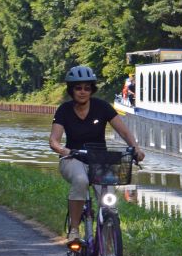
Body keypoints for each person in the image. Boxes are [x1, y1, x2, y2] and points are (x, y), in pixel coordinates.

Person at [49, 66, 145, 244]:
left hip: (99, 160)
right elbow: (54, 140)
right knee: (81, 180)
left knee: (108, 201)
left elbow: (124, 132)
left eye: (87, 88)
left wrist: (136, 148)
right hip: (73, 158)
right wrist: (64, 151)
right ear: (71, 90)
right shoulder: (64, 110)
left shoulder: (102, 107)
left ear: (92, 89)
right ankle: (75, 230)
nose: (83, 92)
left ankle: (108, 244)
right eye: (78, 88)